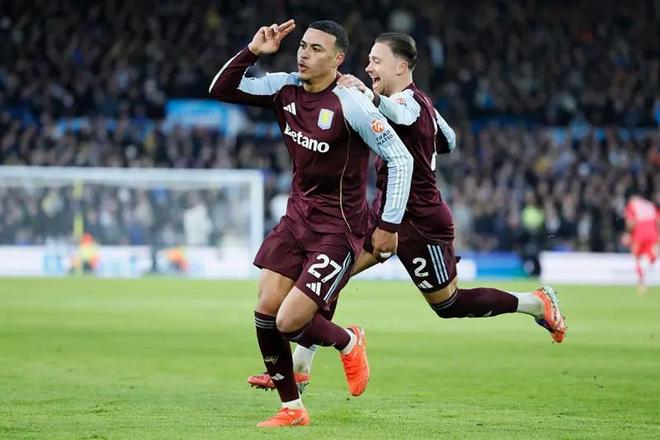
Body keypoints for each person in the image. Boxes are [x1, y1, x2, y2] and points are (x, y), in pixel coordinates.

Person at [248, 32, 568, 393]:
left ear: (401, 67)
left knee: (448, 304)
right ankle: (300, 367)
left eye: (376, 61)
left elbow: (402, 111)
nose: (368, 67)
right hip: (386, 212)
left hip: (420, 222)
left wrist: (372, 99)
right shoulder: (424, 103)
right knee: (330, 275)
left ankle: (535, 303)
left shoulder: (408, 102)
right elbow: (450, 139)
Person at [209, 20, 414, 427]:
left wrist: (389, 225)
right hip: (296, 220)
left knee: (288, 321)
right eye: (302, 46)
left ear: (338, 59)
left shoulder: (351, 103)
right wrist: (252, 51)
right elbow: (221, 89)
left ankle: (348, 340)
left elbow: (400, 158)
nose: (304, 53)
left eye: (316, 49)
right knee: (266, 309)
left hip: (337, 231)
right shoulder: (284, 87)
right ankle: (292, 409)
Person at [623, 195, 658, 294]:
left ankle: (641, 283)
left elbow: (630, 222)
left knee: (637, 259)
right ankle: (646, 271)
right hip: (652, 234)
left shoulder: (632, 204)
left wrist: (628, 234)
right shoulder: (650, 205)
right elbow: (658, 220)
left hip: (639, 235)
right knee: (651, 257)